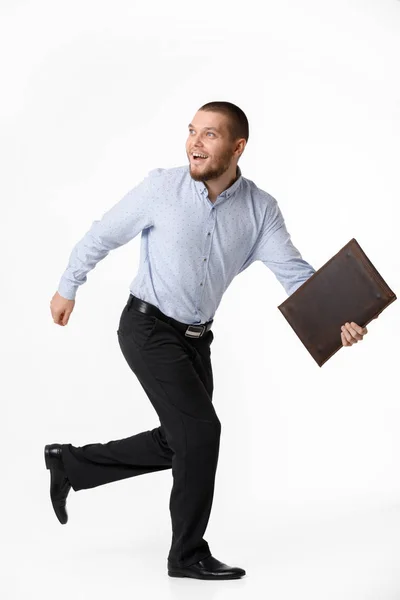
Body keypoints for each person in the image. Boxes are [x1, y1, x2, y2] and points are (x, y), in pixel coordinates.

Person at [46, 101, 368, 581]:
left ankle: (70, 464)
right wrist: (69, 285)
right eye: (192, 131)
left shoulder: (261, 211)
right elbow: (103, 234)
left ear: (238, 147)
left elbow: (295, 275)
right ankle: (187, 554)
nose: (195, 142)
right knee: (201, 434)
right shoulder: (162, 188)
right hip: (147, 327)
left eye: (210, 135)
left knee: (181, 442)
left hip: (197, 340)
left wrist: (339, 319)